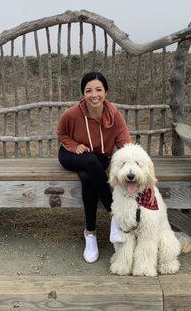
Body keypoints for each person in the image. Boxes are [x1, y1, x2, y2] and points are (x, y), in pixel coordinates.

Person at [57, 72, 131, 263]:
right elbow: (61, 133)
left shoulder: (114, 116)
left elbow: (125, 145)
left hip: (100, 158)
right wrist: (74, 146)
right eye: (88, 90)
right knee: (89, 162)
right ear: (83, 93)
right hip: (71, 155)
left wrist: (131, 164)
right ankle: (113, 214)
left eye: (98, 89)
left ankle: (90, 234)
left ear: (106, 92)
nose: (94, 95)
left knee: (87, 177)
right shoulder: (72, 113)